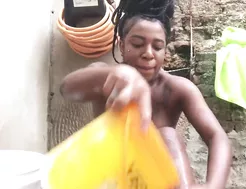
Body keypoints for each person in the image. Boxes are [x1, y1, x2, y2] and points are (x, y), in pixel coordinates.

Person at [59, 0, 232, 188]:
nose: (148, 53)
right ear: (122, 45)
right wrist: (110, 74)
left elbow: (217, 137)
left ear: (165, 50)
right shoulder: (106, 77)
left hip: (155, 180)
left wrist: (213, 185)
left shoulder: (177, 89)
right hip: (112, 177)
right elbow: (67, 88)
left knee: (167, 135)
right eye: (138, 44)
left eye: (157, 47)